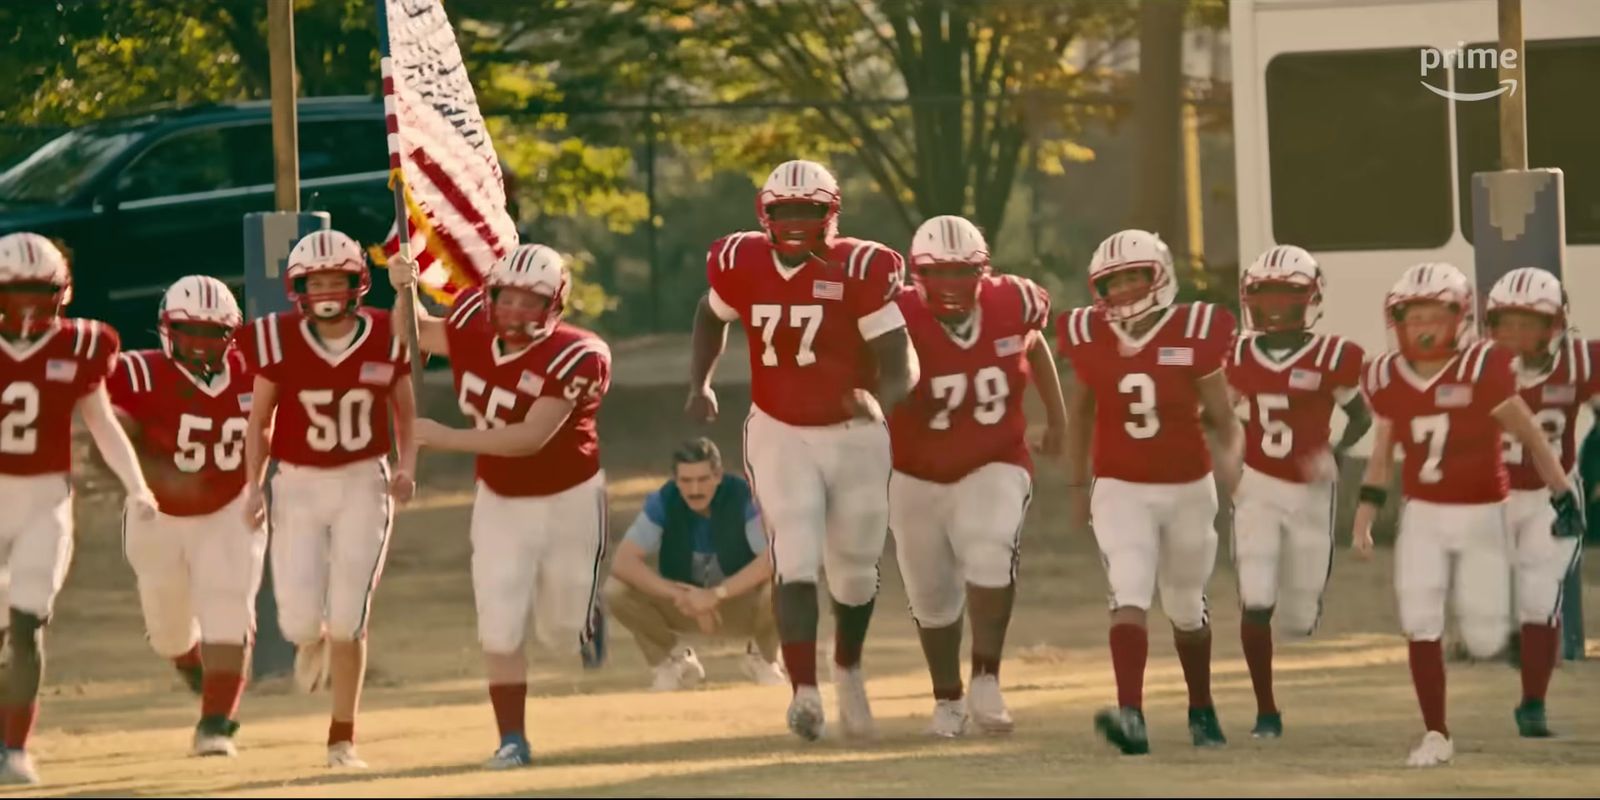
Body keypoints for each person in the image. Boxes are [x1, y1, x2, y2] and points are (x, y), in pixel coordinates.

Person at [686, 159, 918, 742]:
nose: (794, 222)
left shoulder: (859, 267)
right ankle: (805, 692)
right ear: (765, 215)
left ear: (830, 214)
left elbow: (900, 356)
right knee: (794, 549)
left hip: (854, 434)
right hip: (780, 429)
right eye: (784, 211)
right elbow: (711, 315)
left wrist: (884, 399)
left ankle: (849, 671)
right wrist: (700, 383)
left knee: (856, 570)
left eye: (808, 211)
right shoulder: (742, 263)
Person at [388, 243, 610, 770]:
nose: (514, 311)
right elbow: (414, 331)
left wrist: (444, 438)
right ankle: (512, 738)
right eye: (506, 298)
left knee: (561, 630)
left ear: (554, 305)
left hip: (569, 499)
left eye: (530, 302)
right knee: (499, 621)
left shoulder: (579, 354)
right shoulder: (468, 317)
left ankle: (586, 617)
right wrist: (403, 288)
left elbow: (530, 438)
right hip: (499, 499)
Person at [1353, 261, 1583, 767]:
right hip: (1426, 512)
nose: (1423, 327)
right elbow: (1384, 446)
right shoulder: (1387, 375)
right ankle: (1436, 730)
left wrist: (1563, 493)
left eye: (1435, 314)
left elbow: (1528, 432)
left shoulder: (1488, 366)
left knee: (1498, 622)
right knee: (1420, 618)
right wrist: (1366, 510)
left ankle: (1531, 695)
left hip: (1491, 505)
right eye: (1413, 317)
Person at [237, 229, 418, 769]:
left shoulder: (388, 332)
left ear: (355, 281)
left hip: (364, 481)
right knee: (297, 624)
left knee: (348, 619)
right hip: (296, 483)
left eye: (335, 279)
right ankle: (313, 645)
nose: (325, 290)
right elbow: (259, 420)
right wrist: (254, 486)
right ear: (298, 286)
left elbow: (405, 411)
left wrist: (407, 466)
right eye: (315, 281)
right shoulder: (274, 337)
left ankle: (343, 737)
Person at [1056, 229, 1241, 755]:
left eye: (1135, 277)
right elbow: (1081, 416)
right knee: (1130, 589)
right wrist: (1075, 485)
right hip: (1120, 487)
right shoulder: (1091, 335)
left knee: (1185, 605)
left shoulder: (1195, 331)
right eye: (1113, 282)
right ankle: (1131, 715)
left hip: (1187, 486)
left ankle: (1201, 708)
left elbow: (1224, 417)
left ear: (1159, 277)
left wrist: (1233, 463)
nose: (1125, 290)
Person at [887, 215, 1063, 737]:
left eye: (962, 272)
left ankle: (986, 676)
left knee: (989, 548)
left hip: (996, 456)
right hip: (914, 469)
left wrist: (1057, 416)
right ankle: (948, 700)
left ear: (983, 271)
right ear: (918, 274)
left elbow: (1033, 344)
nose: (951, 284)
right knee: (931, 596)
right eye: (938, 273)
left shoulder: (1014, 301)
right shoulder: (893, 314)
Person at [0, 232, 157, 785]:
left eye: (35, 291)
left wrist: (137, 486)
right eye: (15, 291)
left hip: (45, 498)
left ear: (60, 294)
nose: (25, 304)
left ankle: (14, 747)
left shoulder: (82, 345)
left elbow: (101, 421)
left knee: (27, 622)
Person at [108, 276, 264, 758]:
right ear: (165, 329)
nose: (200, 342)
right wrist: (145, 469)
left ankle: (216, 722)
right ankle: (194, 667)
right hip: (159, 516)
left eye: (213, 332)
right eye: (189, 330)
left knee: (230, 608)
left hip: (231, 506)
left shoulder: (254, 371)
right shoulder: (135, 373)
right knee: (168, 631)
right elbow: (101, 426)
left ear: (232, 334)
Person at [1224, 245, 1370, 739]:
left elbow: (1362, 416)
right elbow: (1216, 414)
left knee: (1299, 615)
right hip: (1257, 483)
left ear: (1310, 298)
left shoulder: (1336, 356)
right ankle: (1266, 711)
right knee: (1257, 596)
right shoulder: (1237, 353)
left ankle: (1304, 609)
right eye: (1264, 296)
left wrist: (1337, 451)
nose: (1275, 307)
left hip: (1311, 489)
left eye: (1287, 296)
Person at [1481, 267, 1598, 738]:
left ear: (1555, 324)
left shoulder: (1582, 362)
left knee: (1539, 598)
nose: (1517, 334)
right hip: (1488, 496)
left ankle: (1533, 703)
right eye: (1507, 322)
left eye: (1530, 322)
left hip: (1552, 497)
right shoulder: (1473, 363)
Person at [604, 437, 785, 691]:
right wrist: (680, 594)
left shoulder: (745, 498)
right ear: (675, 480)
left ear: (718, 476)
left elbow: (772, 559)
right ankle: (672, 661)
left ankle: (763, 657)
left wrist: (715, 595)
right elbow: (623, 562)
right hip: (685, 606)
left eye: (703, 479)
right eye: (686, 481)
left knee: (787, 581)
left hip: (739, 602)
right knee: (615, 590)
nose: (695, 489)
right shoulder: (664, 501)